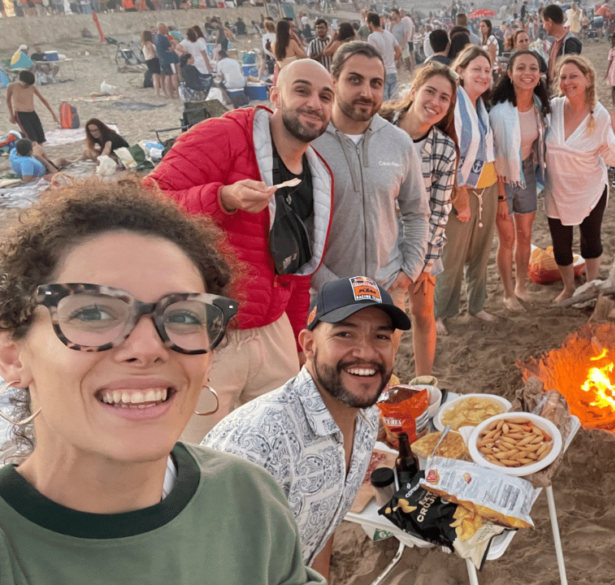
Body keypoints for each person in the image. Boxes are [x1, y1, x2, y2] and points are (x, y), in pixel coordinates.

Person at [0, 179, 325, 585]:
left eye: (185, 316)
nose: (148, 347)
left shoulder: (248, 499)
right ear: (12, 355)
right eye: (94, 313)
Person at [145, 60, 336, 445]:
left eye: (325, 96)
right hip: (210, 332)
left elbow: (299, 272)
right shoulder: (225, 136)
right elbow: (147, 202)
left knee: (276, 444)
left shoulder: (320, 175)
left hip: (274, 331)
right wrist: (222, 198)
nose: (314, 103)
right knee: (200, 454)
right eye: (302, 90)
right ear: (275, 94)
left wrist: (298, 344)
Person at [205, 277, 409, 577]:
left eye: (380, 337)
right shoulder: (256, 446)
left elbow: (320, 532)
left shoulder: (364, 421)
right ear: (309, 345)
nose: (366, 353)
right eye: (344, 334)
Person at [311, 42, 428, 345]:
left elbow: (416, 210)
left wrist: (409, 269)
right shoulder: (309, 142)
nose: (367, 92)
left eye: (376, 83)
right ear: (333, 81)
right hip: (324, 295)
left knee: (380, 377)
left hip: (387, 291)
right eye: (355, 80)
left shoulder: (399, 142)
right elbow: (295, 225)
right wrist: (325, 285)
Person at [380, 63, 459, 375]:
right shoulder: (380, 126)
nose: (435, 102)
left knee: (423, 313)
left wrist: (424, 264)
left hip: (421, 241)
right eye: (430, 91)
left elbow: (440, 211)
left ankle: (424, 382)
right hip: (379, 239)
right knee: (388, 321)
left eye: (444, 98)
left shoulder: (444, 149)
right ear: (413, 91)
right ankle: (383, 389)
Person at [545, 55, 615, 302]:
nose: (567, 82)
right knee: (561, 244)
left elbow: (614, 160)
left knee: (590, 240)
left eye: (574, 76)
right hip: (557, 189)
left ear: (588, 78)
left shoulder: (600, 116)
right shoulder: (553, 108)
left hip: (590, 189)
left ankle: (592, 285)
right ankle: (569, 287)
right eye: (563, 77)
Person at [434, 46, 500, 334]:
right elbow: (451, 156)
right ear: (460, 71)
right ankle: (439, 313)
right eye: (477, 69)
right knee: (452, 256)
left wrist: (498, 194)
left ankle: (477, 305)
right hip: (460, 191)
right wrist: (460, 198)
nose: (484, 75)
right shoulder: (453, 105)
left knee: (481, 253)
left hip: (487, 187)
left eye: (487, 71)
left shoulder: (479, 106)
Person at [491, 49, 550, 311]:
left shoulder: (540, 107)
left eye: (533, 68)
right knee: (507, 239)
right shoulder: (499, 112)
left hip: (527, 172)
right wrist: (501, 196)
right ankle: (507, 293)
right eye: (521, 68)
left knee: (526, 234)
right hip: (502, 177)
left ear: (540, 74)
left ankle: (521, 286)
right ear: (510, 74)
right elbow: (494, 156)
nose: (528, 73)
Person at [5, 71, 56, 146]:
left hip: (32, 113)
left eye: (29, 85)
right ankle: (33, 154)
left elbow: (43, 100)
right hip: (21, 114)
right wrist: (11, 115)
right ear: (20, 79)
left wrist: (53, 114)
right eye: (25, 84)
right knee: (31, 138)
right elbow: (8, 101)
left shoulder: (32, 87)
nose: (27, 86)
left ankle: (40, 154)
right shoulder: (12, 87)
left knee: (40, 137)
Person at [542, 4, 583, 86]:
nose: (543, 26)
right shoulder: (555, 42)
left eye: (543, 22)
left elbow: (571, 73)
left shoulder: (570, 43)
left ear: (550, 22)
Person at [366, 12, 401, 101]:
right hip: (393, 71)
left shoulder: (372, 37)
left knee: (384, 104)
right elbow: (398, 52)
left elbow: (373, 56)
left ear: (370, 23)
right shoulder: (389, 34)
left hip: (382, 73)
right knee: (394, 102)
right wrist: (391, 61)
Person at [155, 23, 180, 100]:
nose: (167, 30)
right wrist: (173, 44)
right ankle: (177, 94)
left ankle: (170, 94)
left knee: (167, 76)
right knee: (173, 76)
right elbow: (171, 49)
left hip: (162, 59)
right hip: (169, 59)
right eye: (165, 29)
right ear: (161, 29)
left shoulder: (156, 37)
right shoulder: (164, 38)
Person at [142, 31, 165, 99]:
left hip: (148, 60)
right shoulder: (149, 44)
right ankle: (159, 93)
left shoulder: (144, 44)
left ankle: (158, 92)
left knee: (156, 76)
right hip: (153, 60)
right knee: (158, 77)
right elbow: (153, 54)